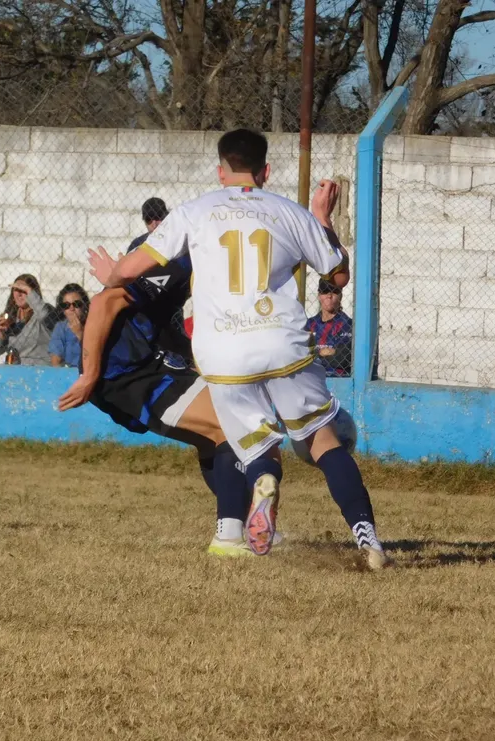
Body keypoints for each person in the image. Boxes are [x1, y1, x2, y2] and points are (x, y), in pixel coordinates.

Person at [96, 128, 391, 570]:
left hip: (223, 352)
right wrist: (322, 218)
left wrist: (113, 273)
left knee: (256, 447)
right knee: (324, 441)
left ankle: (265, 484)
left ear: (220, 170)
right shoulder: (289, 213)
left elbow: (132, 269)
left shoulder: (194, 211)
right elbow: (338, 275)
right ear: (266, 170)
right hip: (282, 342)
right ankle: (368, 540)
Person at [58, 252, 264, 557]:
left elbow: (155, 318)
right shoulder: (183, 265)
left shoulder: (204, 271)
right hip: (125, 374)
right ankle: (229, 537)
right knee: (228, 425)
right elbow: (104, 303)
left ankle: (248, 528)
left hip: (148, 367)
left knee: (211, 441)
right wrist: (89, 375)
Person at [0, 274, 58, 366]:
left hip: (39, 369)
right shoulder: (9, 317)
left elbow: (44, 315)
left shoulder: (42, 312)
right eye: (16, 290)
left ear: (33, 293)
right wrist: (1, 335)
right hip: (14, 370)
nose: (19, 294)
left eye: (23, 290)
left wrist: (30, 293)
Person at [306, 279, 353, 376]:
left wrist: (314, 355)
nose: (329, 295)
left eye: (335, 291)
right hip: (312, 378)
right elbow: (299, 355)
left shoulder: (348, 324)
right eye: (325, 291)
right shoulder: (309, 324)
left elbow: (342, 359)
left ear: (340, 296)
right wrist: (323, 353)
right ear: (319, 295)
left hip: (338, 379)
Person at [49, 284, 89, 368]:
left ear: (84, 306)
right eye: (66, 305)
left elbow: (92, 356)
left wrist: (80, 334)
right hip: (68, 372)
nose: (71, 308)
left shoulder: (92, 325)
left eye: (77, 304)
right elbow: (55, 360)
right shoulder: (61, 328)